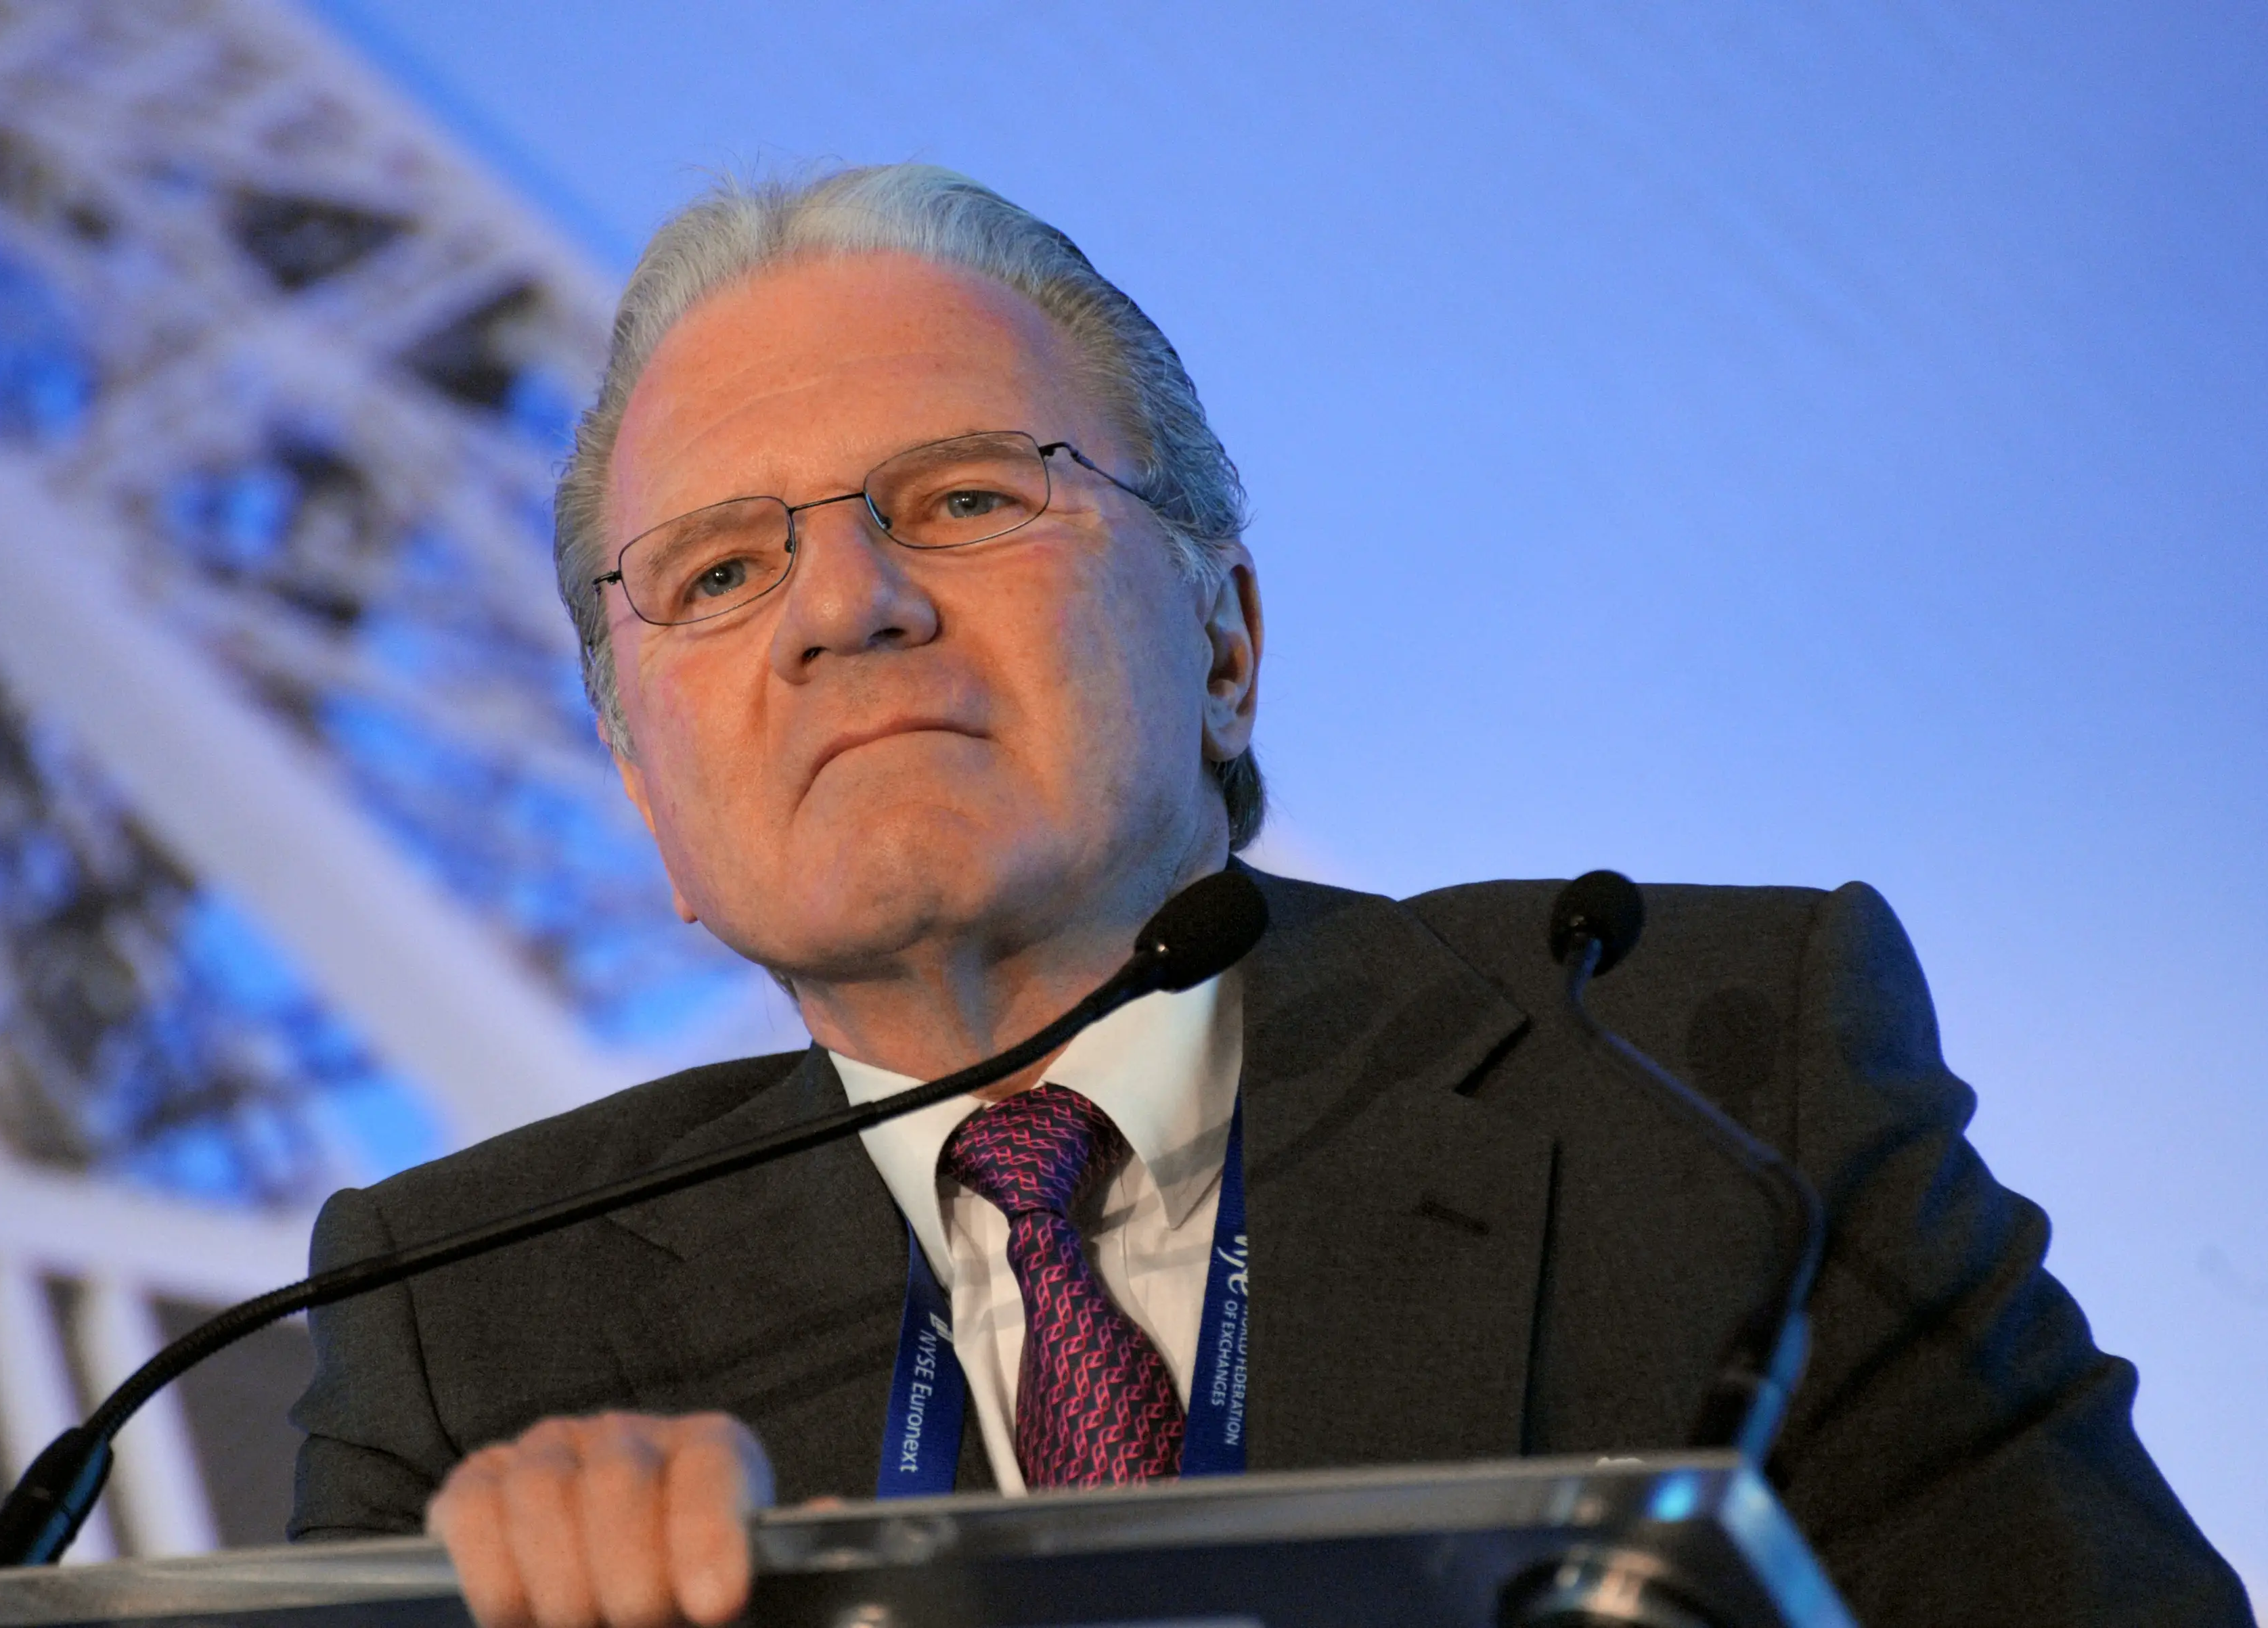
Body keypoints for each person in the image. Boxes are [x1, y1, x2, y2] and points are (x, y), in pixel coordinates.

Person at [289, 166, 2250, 1628]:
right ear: (646, 787)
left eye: (968, 495)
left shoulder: (1710, 1067)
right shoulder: (459, 1318)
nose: (842, 602)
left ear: (1224, 640)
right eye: (713, 571)